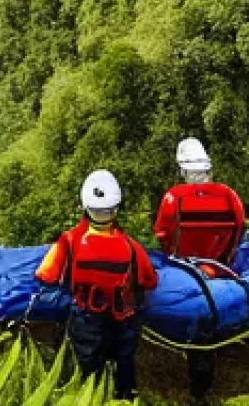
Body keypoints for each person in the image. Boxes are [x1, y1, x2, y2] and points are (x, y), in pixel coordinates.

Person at [35, 169, 157, 400]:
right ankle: (125, 396)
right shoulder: (131, 246)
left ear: (84, 206)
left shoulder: (69, 241)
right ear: (116, 209)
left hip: (86, 319)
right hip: (123, 322)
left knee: (89, 371)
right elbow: (149, 280)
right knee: (125, 367)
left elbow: (46, 274)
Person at [153, 138, 246, 403]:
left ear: (183, 168)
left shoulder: (174, 197)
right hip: (220, 268)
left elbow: (162, 232)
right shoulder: (228, 195)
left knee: (194, 320)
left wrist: (174, 253)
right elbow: (239, 227)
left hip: (184, 270)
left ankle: (198, 384)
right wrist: (225, 256)